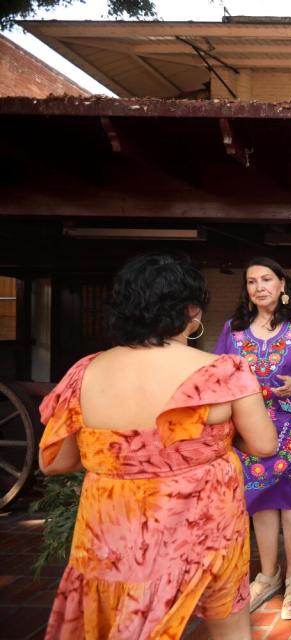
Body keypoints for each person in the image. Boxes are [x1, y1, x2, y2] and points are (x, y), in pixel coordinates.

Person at [39, 254, 278, 640]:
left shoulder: (83, 373)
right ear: (192, 312)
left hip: (110, 538)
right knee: (228, 624)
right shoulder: (223, 371)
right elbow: (265, 444)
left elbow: (55, 462)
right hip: (204, 530)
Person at [213, 257, 291, 621]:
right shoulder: (232, 331)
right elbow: (219, 377)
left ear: (282, 285)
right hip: (249, 426)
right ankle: (268, 574)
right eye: (251, 281)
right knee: (259, 493)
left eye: (266, 279)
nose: (259, 286)